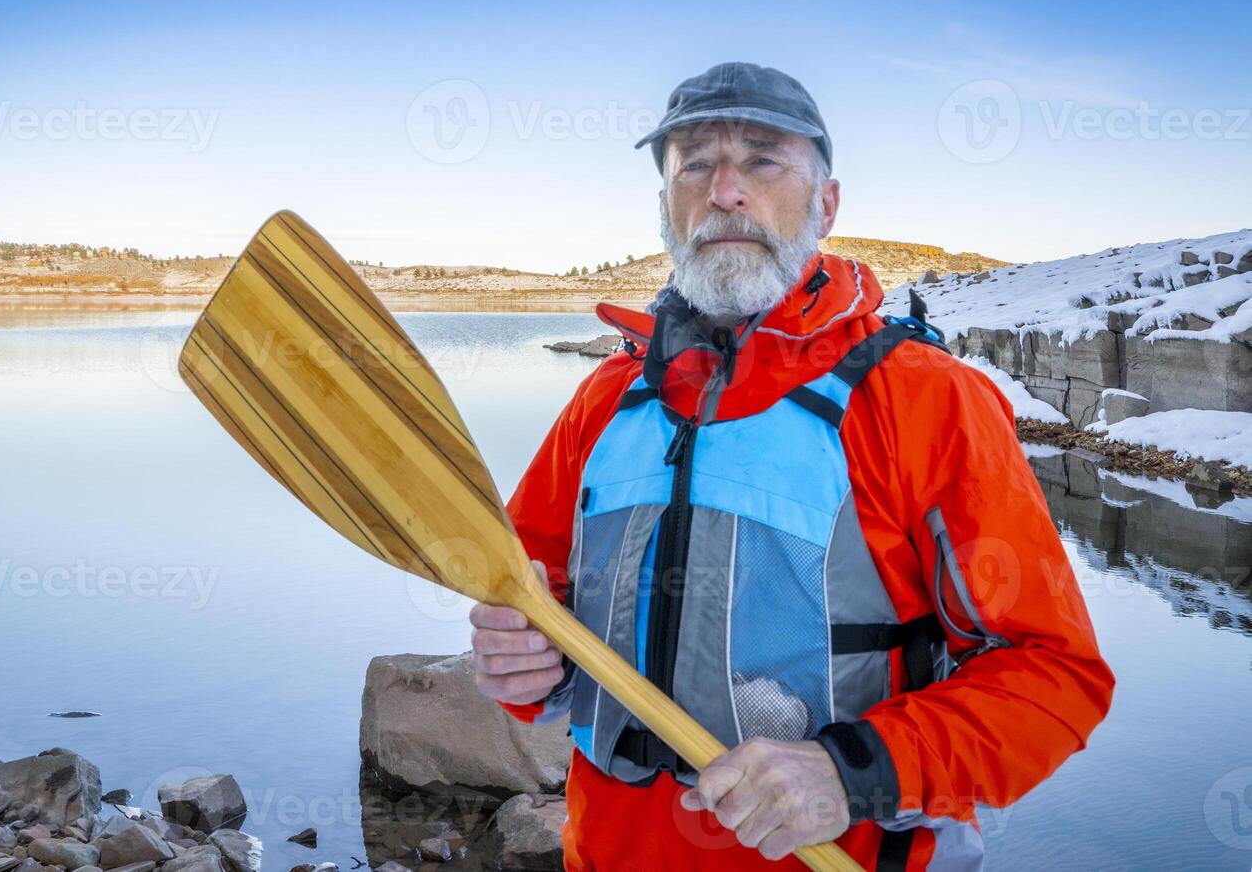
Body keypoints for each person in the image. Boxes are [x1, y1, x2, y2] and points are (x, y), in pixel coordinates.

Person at [467, 62, 1114, 870]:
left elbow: (1056, 678)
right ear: (666, 204)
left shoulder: (924, 399)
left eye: (763, 159)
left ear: (827, 202)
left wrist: (852, 771)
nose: (725, 190)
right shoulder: (606, 401)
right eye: (693, 163)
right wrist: (526, 666)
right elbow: (534, 601)